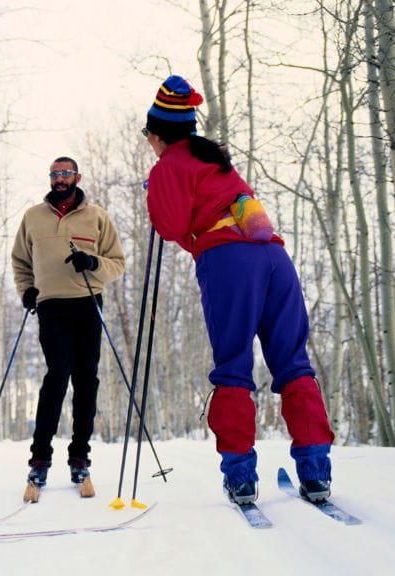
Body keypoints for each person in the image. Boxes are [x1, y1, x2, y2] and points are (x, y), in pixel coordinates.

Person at [141, 75, 335, 504]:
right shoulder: (216, 159)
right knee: (293, 361)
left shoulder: (169, 164)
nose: (150, 146)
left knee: (232, 365)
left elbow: (171, 225)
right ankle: (317, 470)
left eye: (149, 138)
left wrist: (155, 192)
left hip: (229, 261)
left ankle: (241, 476)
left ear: (158, 134)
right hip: (273, 256)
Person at [11, 156, 126, 495]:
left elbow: (117, 263)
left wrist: (91, 262)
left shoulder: (97, 217)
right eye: (54, 173)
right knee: (56, 376)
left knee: (86, 378)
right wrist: (27, 290)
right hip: (50, 305)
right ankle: (39, 460)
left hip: (88, 302)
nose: (59, 178)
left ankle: (79, 457)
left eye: (65, 173)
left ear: (77, 177)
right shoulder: (33, 217)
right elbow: (20, 261)